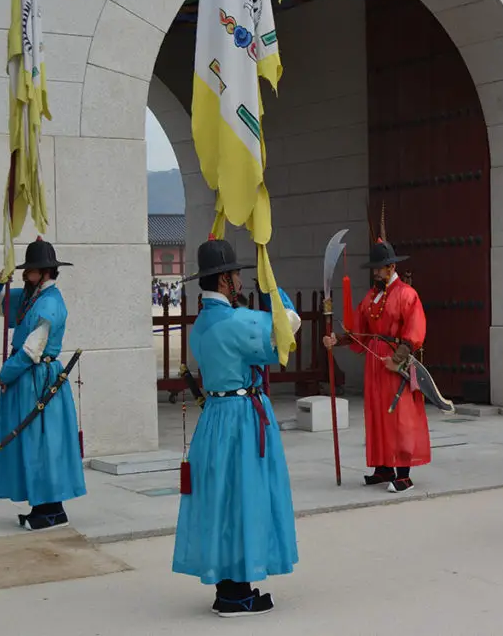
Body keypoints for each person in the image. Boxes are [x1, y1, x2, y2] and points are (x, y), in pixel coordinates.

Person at [172, 237, 301, 617]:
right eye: (237, 277)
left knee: (222, 499)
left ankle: (227, 586)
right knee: (245, 497)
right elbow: (286, 326)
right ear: (226, 281)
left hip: (214, 416)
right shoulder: (237, 321)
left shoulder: (203, 322)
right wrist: (271, 287)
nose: (241, 284)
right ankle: (238, 593)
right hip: (242, 418)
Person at [0, 238, 85, 531]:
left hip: (40, 380)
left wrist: (5, 374)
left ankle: (50, 509)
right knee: (34, 442)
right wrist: (0, 278)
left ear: (46, 272)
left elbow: (31, 350)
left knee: (43, 443)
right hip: (28, 380)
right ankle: (45, 507)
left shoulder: (50, 302)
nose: (25, 275)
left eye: (30, 271)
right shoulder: (30, 298)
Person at [323, 231, 429, 494]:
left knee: (399, 415)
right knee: (376, 414)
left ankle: (403, 474)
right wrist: (337, 339)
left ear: (391, 267)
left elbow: (415, 331)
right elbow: (359, 330)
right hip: (374, 361)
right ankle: (383, 467)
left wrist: (397, 359)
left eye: (379, 270)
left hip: (395, 359)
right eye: (374, 270)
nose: (375, 274)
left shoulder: (407, 294)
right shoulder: (371, 297)